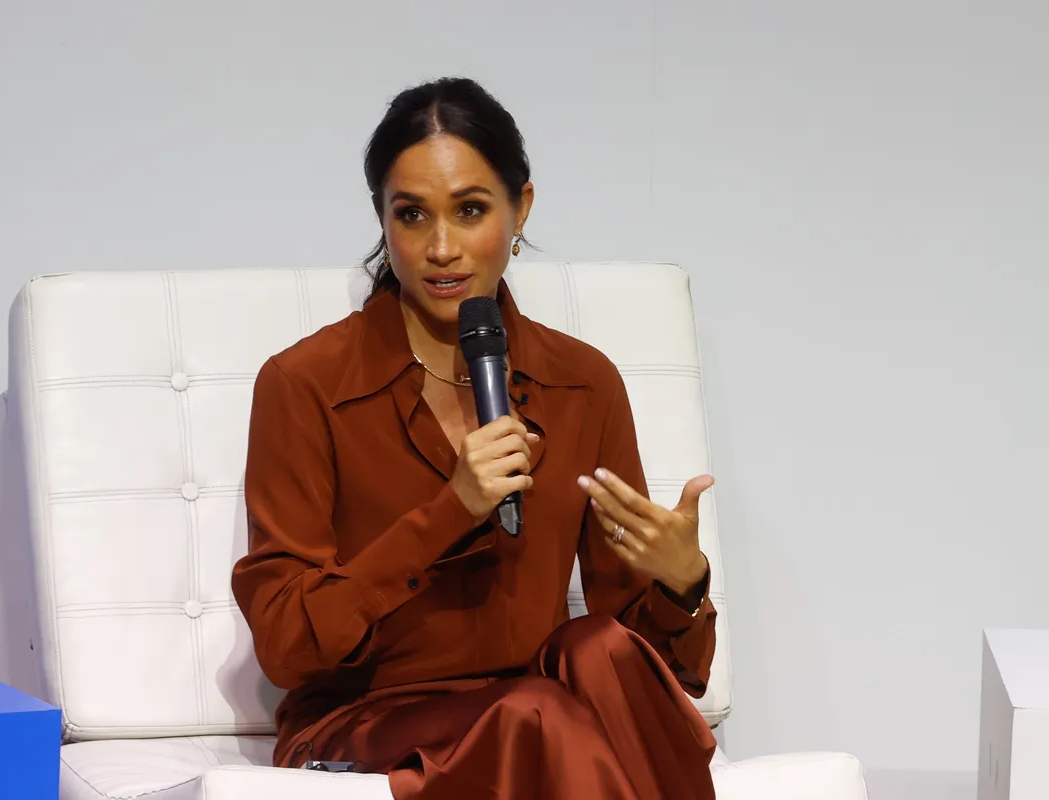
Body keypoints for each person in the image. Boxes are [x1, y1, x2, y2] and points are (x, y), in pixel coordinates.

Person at [232, 76, 719, 800]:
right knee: (539, 713)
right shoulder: (305, 384)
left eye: (469, 211)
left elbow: (645, 669)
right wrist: (448, 511)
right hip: (361, 719)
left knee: (596, 649)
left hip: (540, 710)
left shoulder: (583, 382)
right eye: (411, 215)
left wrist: (683, 583)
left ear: (520, 209)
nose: (440, 248)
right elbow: (286, 646)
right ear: (382, 220)